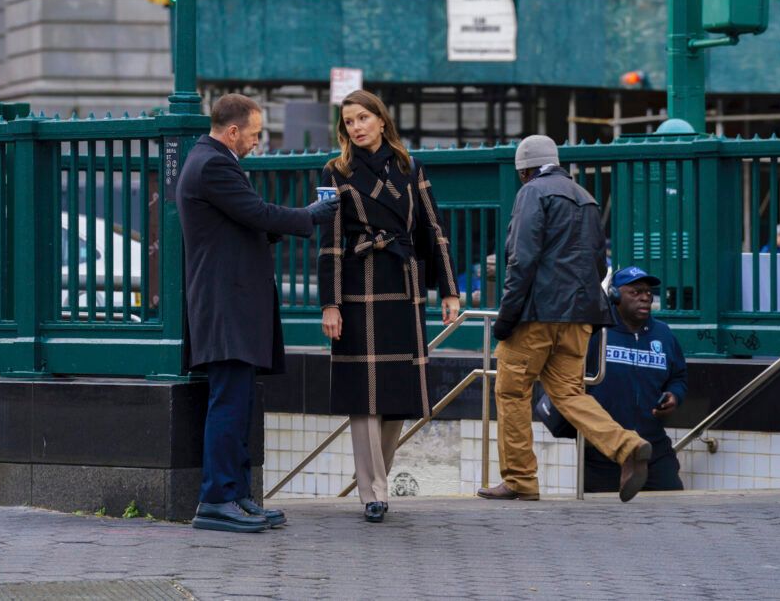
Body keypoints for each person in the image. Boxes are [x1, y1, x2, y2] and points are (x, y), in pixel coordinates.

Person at [176, 93, 340, 533]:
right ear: (232, 131)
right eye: (253, 134)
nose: (256, 142)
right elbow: (256, 212)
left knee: (239, 401)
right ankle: (216, 499)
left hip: (231, 303)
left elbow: (244, 223)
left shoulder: (210, 160)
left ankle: (237, 495)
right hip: (226, 304)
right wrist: (311, 215)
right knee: (229, 403)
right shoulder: (213, 164)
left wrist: (285, 223)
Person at [480, 134, 652, 504]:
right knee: (569, 393)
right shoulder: (585, 197)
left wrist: (506, 318)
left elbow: (521, 259)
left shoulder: (532, 193)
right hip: (581, 316)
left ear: (524, 170)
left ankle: (520, 479)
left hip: (537, 316)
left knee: (511, 391)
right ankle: (627, 445)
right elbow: (599, 263)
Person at [318, 90, 460, 523]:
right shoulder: (335, 170)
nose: (356, 127)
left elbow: (433, 229)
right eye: (349, 121)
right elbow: (330, 243)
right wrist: (330, 304)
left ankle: (376, 481)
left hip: (403, 286)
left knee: (396, 392)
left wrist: (449, 291)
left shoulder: (410, 166)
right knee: (364, 395)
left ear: (382, 120)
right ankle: (373, 491)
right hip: (359, 288)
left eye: (363, 118)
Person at [583, 266, 688, 493]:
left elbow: (678, 377)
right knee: (600, 517)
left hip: (653, 450)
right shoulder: (595, 332)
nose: (645, 298)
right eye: (636, 292)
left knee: (674, 507)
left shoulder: (664, 334)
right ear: (615, 296)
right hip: (604, 452)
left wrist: (674, 396)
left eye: (649, 293)